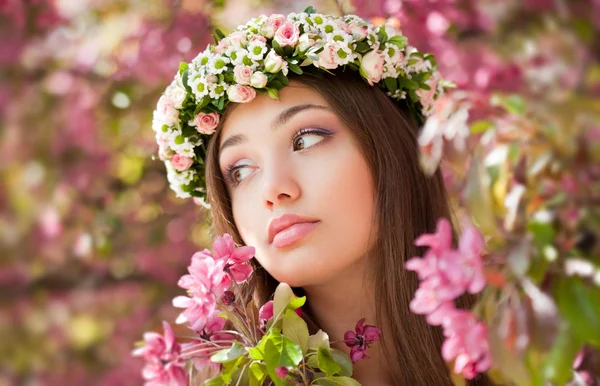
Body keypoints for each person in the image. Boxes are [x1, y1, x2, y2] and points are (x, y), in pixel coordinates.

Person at [153, 8, 495, 386]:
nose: (273, 189)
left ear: (392, 149)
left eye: (307, 139)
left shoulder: (538, 336)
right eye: (241, 171)